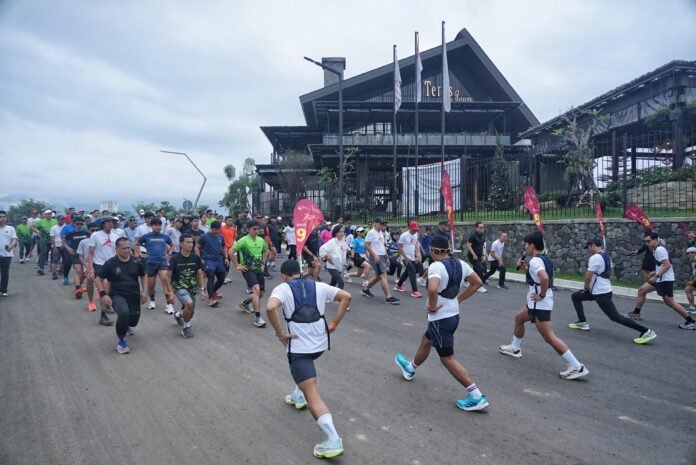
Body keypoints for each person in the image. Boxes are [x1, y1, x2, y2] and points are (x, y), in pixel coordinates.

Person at [264, 260, 351, 459]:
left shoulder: (282, 288)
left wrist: (280, 333)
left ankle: (333, 439)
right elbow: (346, 296)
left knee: (311, 392)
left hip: (300, 349)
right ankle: (297, 396)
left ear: (284, 276)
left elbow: (270, 308)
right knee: (304, 376)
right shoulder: (318, 285)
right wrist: (334, 324)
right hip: (320, 345)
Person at [394, 235, 489, 411]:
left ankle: (476, 395)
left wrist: (432, 307)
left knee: (447, 358)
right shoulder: (461, 263)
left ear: (432, 250)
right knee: (426, 340)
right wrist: (459, 300)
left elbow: (432, 289)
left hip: (440, 319)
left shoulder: (436, 266)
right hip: (452, 315)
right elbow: (477, 282)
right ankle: (410, 368)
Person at [499, 231, 589, 380]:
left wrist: (541, 295)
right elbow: (536, 277)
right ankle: (515, 348)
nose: (525, 247)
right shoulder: (544, 258)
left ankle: (576, 366)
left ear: (532, 245)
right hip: (535, 303)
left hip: (539, 304)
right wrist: (525, 269)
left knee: (549, 337)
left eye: (526, 245)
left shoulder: (535, 261)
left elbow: (544, 278)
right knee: (519, 318)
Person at [568, 238, 657, 344]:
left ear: (593, 245)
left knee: (615, 317)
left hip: (601, 292)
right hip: (598, 290)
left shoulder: (595, 258)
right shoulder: (605, 255)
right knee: (576, 296)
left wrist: (586, 288)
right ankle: (582, 322)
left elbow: (588, 276)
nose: (588, 250)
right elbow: (611, 271)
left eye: (588, 247)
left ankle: (646, 331)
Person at [624, 232, 696, 329]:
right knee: (642, 290)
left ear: (655, 240)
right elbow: (662, 264)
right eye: (645, 241)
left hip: (665, 279)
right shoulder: (655, 249)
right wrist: (655, 272)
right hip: (660, 278)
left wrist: (657, 275)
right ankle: (636, 313)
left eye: (648, 241)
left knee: (670, 302)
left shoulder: (660, 250)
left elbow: (667, 265)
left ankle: (691, 321)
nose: (647, 243)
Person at [96, 237, 148, 354]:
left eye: (128, 248)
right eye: (124, 248)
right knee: (124, 313)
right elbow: (98, 279)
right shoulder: (110, 263)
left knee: (133, 321)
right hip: (117, 295)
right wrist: (103, 295)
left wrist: (145, 291)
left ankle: (127, 324)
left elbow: (144, 276)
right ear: (116, 249)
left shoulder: (137, 261)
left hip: (134, 295)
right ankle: (121, 341)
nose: (127, 250)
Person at [231, 220, 268, 328]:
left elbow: (266, 251)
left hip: (258, 269)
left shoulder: (261, 240)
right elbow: (231, 252)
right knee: (256, 290)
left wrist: (263, 264)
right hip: (248, 269)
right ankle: (258, 318)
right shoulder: (243, 240)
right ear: (248, 230)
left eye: (258, 229)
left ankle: (245, 303)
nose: (256, 231)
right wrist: (237, 265)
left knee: (260, 294)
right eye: (254, 229)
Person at [168, 234, 207, 338]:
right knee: (189, 303)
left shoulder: (196, 258)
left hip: (192, 288)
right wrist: (170, 292)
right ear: (181, 244)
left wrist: (202, 289)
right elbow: (168, 277)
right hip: (179, 287)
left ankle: (178, 315)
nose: (190, 244)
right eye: (188, 242)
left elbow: (200, 273)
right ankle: (186, 328)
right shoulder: (174, 259)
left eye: (192, 242)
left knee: (190, 313)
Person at [136, 218, 174, 313]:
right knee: (151, 286)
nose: (158, 227)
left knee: (165, 282)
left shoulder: (164, 236)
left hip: (162, 262)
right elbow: (136, 244)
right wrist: (140, 254)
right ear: (151, 226)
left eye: (159, 225)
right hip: (150, 263)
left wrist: (169, 253)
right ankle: (152, 300)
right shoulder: (146, 236)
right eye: (156, 225)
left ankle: (169, 304)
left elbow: (172, 245)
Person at [87, 216, 120, 326]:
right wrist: (90, 269)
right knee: (104, 286)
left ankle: (108, 304)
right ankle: (103, 315)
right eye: (108, 222)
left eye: (112, 222)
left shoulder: (116, 236)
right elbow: (90, 253)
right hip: (100, 265)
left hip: (113, 265)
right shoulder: (95, 235)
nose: (110, 224)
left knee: (112, 288)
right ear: (102, 224)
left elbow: (118, 252)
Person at [362, 218, 399, 304]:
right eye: (381, 224)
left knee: (379, 276)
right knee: (383, 275)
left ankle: (365, 289)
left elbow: (382, 245)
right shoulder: (371, 233)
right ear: (375, 224)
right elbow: (366, 245)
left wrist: (387, 257)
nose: (382, 226)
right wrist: (374, 255)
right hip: (376, 257)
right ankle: (388, 297)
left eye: (383, 224)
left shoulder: (381, 233)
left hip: (382, 256)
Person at [195, 221, 228, 307]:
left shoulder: (220, 236)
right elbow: (196, 247)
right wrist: (200, 258)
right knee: (211, 278)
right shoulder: (204, 237)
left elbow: (223, 247)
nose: (217, 231)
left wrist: (226, 257)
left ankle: (213, 291)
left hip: (219, 260)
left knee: (221, 279)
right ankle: (211, 299)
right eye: (215, 229)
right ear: (211, 228)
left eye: (218, 229)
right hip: (209, 260)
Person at [62, 216, 91, 299]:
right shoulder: (71, 233)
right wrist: (68, 248)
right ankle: (78, 288)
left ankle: (79, 285)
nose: (79, 225)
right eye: (77, 224)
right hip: (75, 253)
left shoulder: (87, 233)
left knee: (84, 273)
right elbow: (63, 241)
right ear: (74, 224)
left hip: (85, 254)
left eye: (81, 224)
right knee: (78, 269)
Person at [394, 222, 424, 298]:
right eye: (414, 230)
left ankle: (398, 286)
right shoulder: (404, 236)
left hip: (412, 256)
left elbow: (416, 244)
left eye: (416, 230)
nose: (415, 231)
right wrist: (405, 257)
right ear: (409, 228)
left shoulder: (416, 234)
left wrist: (416, 254)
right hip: (405, 256)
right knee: (412, 271)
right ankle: (414, 291)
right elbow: (399, 247)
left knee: (408, 271)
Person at [319, 225, 348, 290]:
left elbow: (344, 250)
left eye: (343, 232)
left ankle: (324, 292)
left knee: (333, 284)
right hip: (332, 266)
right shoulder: (332, 242)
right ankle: (341, 296)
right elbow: (322, 249)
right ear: (336, 233)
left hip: (339, 265)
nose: (342, 233)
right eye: (340, 232)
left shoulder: (342, 241)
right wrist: (326, 258)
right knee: (341, 282)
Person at [32, 209, 56, 276]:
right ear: (45, 215)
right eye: (48, 214)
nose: (49, 215)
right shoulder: (41, 221)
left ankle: (52, 268)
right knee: (43, 253)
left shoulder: (55, 221)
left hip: (52, 240)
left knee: (53, 254)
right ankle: (41, 268)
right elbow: (32, 226)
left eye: (50, 214)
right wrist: (37, 231)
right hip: (44, 240)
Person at [466, 222, 488, 293]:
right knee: (480, 269)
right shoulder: (473, 236)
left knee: (483, 268)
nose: (482, 229)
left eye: (483, 227)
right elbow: (468, 246)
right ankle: (479, 286)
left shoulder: (482, 236)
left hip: (479, 256)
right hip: (472, 256)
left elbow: (482, 247)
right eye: (480, 227)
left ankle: (469, 281)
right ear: (476, 228)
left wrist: (482, 255)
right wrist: (474, 254)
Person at [0, 211, 18, 296]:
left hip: (6, 254)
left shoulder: (10, 228)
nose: (2, 218)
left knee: (4, 272)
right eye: (0, 217)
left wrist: (11, 246)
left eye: (4, 217)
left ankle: (4, 290)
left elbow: (14, 239)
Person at [49, 214, 67, 281]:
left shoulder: (66, 227)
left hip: (64, 245)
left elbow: (67, 237)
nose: (63, 220)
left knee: (65, 260)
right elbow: (52, 238)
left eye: (63, 219)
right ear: (57, 220)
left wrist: (64, 244)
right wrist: (54, 247)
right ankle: (54, 273)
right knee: (55, 259)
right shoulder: (53, 228)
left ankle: (61, 270)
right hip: (56, 245)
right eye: (61, 219)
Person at [220, 216, 237, 284]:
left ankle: (225, 277)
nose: (230, 222)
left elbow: (234, 238)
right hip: (223, 249)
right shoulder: (221, 228)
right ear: (225, 221)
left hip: (230, 249)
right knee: (223, 262)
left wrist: (234, 246)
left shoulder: (233, 229)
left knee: (228, 263)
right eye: (229, 220)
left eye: (231, 221)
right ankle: (222, 278)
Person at [685, 247, 696, 313]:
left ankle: (692, 308)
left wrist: (693, 282)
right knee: (688, 289)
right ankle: (692, 307)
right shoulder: (693, 261)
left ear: (693, 253)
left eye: (688, 253)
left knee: (688, 289)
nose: (687, 255)